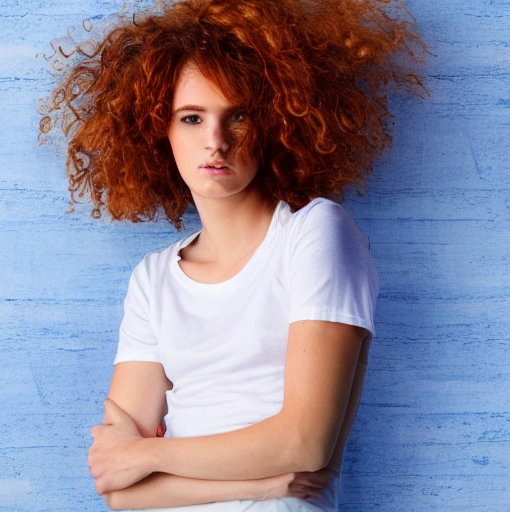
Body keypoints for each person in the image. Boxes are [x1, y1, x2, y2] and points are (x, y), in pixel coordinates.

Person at [41, 0, 425, 510]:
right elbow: (118, 486)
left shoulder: (315, 234)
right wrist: (262, 482)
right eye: (192, 118)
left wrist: (149, 456)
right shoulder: (153, 279)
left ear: (275, 122)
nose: (215, 142)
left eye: (238, 116)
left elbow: (304, 444)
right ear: (161, 130)